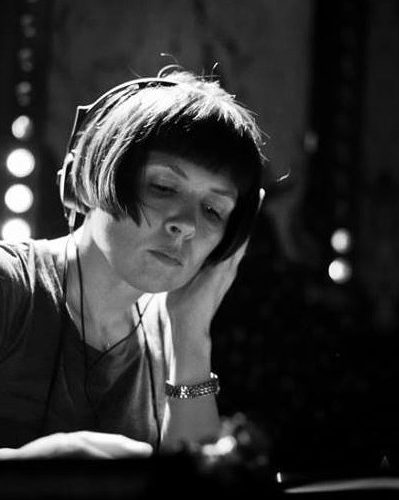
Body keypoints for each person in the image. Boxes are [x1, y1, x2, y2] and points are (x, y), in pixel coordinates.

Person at [0, 65, 265, 458]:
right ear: (89, 176)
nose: (186, 225)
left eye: (213, 210)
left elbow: (194, 485)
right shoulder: (11, 285)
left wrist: (191, 335)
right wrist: (40, 465)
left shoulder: (169, 328)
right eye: (163, 187)